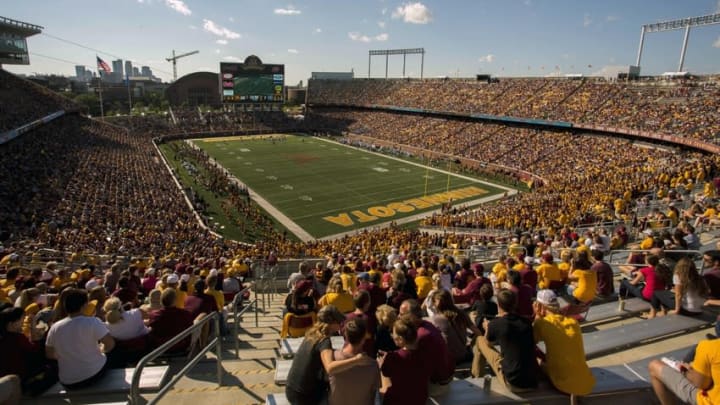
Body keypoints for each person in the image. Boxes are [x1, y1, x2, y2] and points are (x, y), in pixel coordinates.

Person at [285, 305, 364, 405]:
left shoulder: (312, 334)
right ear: (330, 323)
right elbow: (330, 368)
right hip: (303, 397)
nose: (341, 324)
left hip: (291, 388)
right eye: (339, 322)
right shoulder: (324, 341)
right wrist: (356, 360)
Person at [45, 288, 115, 389]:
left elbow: (50, 354)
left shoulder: (54, 327)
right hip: (93, 375)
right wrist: (101, 350)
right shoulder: (92, 321)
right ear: (83, 306)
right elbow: (110, 344)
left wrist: (69, 356)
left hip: (67, 381)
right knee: (113, 355)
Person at [533, 289, 595, 401]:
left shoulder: (542, 323)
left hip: (562, 385)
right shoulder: (573, 322)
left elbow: (531, 342)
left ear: (539, 306)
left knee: (536, 358)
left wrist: (537, 315)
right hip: (586, 383)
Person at [473, 289, 538, 391]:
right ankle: (477, 376)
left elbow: (488, 344)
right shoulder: (526, 322)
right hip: (532, 380)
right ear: (515, 303)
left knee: (479, 340)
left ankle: (476, 377)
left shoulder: (496, 324)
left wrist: (487, 328)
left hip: (512, 382)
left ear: (498, 305)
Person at [648, 338, 720, 405]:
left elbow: (701, 384)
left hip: (711, 401)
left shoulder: (709, 347)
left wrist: (684, 370)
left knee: (653, 366)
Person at [378, 315, 431, 405]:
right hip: (419, 398)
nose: (391, 335)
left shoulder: (393, 357)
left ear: (401, 339)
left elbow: (386, 372)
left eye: (393, 334)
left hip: (398, 400)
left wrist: (382, 364)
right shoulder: (425, 352)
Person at [328, 318, 380, 405]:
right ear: (364, 338)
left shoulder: (332, 359)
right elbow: (373, 396)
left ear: (345, 335)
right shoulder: (372, 365)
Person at [430, 289, 481, 363]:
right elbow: (478, 332)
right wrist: (471, 344)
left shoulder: (437, 319)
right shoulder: (461, 314)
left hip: (449, 358)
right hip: (463, 354)